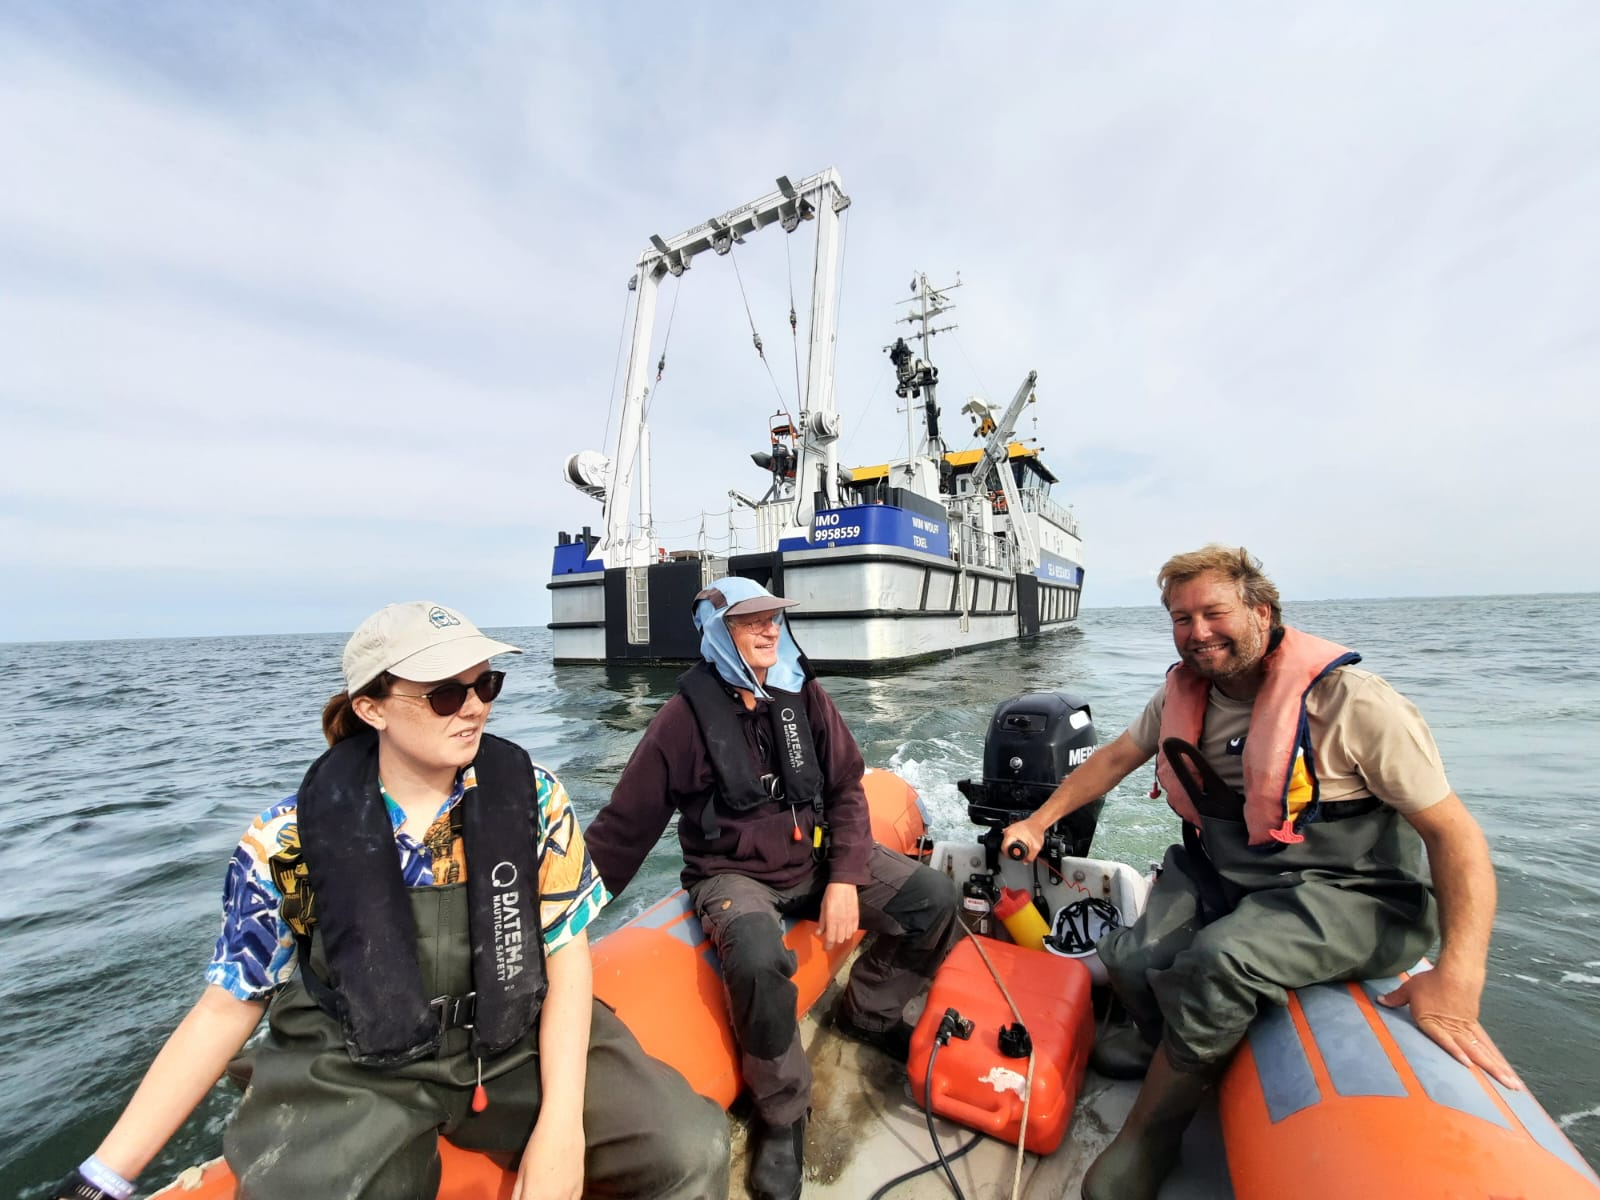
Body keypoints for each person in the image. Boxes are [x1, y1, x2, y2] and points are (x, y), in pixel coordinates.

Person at [53, 601, 728, 1200]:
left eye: (485, 684)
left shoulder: (537, 798)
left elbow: (566, 954)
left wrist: (559, 1128)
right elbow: (227, 1005)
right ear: (371, 707)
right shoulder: (284, 839)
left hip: (512, 1036)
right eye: (443, 694)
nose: (473, 706)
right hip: (356, 1060)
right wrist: (105, 1175)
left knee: (689, 1147)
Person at [1002, 546, 1520, 1200]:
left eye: (1213, 612)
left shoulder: (1352, 703)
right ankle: (1171, 1049)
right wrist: (1040, 820)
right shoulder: (1183, 695)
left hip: (1351, 892)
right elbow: (1114, 759)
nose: (1198, 633)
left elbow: (1456, 836)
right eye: (1180, 618)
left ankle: (1150, 1137)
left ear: (1261, 611)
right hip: (1230, 868)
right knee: (1131, 958)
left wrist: (1460, 975)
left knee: (1218, 962)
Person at [583, 577, 961, 1200]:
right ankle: (783, 1114)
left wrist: (843, 878)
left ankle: (869, 1010)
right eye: (749, 621)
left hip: (814, 858)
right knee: (757, 956)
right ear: (715, 632)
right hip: (732, 875)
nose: (768, 630)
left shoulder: (801, 693)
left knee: (936, 900)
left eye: (774, 619)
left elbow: (844, 788)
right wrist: (556, 923)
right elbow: (622, 832)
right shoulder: (680, 723)